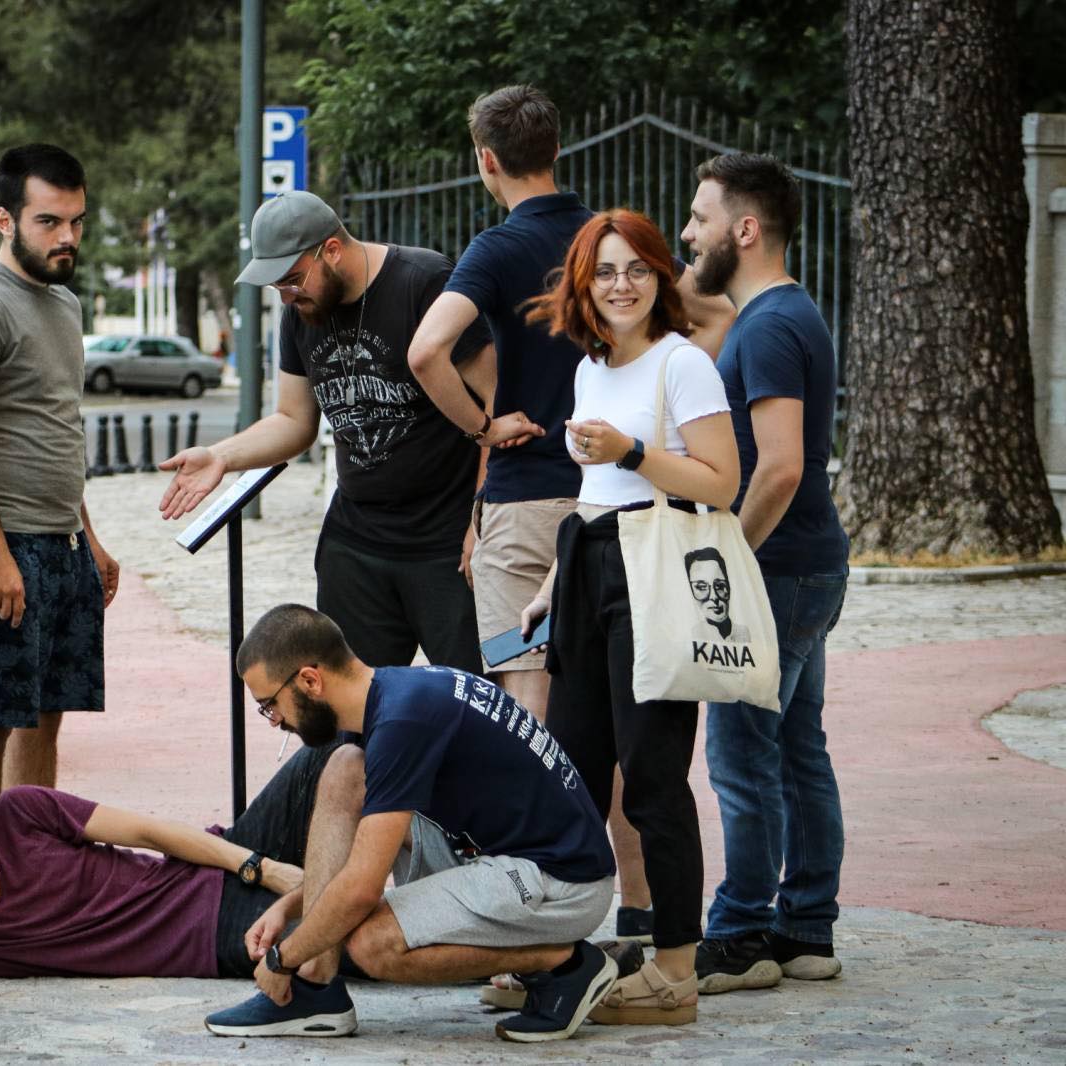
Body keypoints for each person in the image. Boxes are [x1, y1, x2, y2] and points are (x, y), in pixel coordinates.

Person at [406, 83, 658, 954]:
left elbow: (425, 349)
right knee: (618, 725)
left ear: (485, 160)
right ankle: (640, 913)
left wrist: (483, 425)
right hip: (612, 503)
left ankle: (538, 928)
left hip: (525, 512)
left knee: (532, 724)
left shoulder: (497, 249)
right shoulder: (606, 243)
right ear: (558, 145)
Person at [202, 605, 620, 1044]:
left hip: (562, 883)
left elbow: (362, 889)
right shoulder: (391, 695)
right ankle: (316, 990)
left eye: (270, 705)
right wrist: (290, 907)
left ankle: (567, 964)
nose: (275, 722)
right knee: (346, 767)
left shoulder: (402, 721)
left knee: (371, 943)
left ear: (309, 680)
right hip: (495, 854)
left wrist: (281, 960)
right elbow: (365, 858)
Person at [520, 209, 741, 1026]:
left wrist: (634, 452)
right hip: (589, 564)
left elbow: (722, 481)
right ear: (583, 282)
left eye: (637, 269)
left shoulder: (682, 365)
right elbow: (591, 493)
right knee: (572, 774)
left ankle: (676, 968)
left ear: (660, 277)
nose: (621, 284)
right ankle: (561, 953)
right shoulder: (591, 366)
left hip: (653, 569)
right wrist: (552, 579)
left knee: (651, 775)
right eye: (605, 271)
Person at [160, 192, 498, 674]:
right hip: (356, 542)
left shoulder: (423, 281)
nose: (286, 295)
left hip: (444, 541)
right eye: (276, 286)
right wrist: (221, 456)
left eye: (293, 279)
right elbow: (294, 421)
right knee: (351, 713)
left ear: (332, 250)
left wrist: (480, 518)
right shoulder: (299, 312)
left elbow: (494, 399)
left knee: (475, 701)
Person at [681, 153, 851, 993]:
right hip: (804, 567)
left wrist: (725, 563)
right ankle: (806, 929)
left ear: (744, 230)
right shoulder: (778, 317)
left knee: (743, 756)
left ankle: (745, 932)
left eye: (701, 217)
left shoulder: (772, 325)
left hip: (777, 573)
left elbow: (780, 467)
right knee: (796, 750)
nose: (688, 232)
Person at [0, 144, 118, 823]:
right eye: (48, 221)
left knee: (45, 716)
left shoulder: (63, 303)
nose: (66, 236)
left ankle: (32, 876)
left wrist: (88, 540)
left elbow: (55, 429)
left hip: (61, 546)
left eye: (76, 220)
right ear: (5, 220)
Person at [0, 744, 354, 981]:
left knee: (331, 753)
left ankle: (420, 848)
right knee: (356, 938)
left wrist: (259, 866)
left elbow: (148, 832)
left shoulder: (18, 812)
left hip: (217, 866)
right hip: (213, 934)